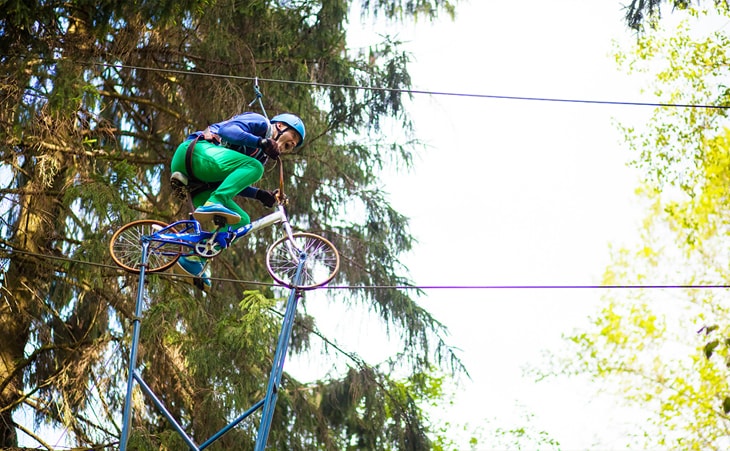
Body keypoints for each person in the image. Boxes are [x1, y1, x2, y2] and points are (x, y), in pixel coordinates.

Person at [169, 112, 305, 290]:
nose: (293, 143)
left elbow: (232, 180)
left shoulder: (260, 157)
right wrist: (261, 141)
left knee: (241, 222)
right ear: (280, 126)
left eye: (295, 144)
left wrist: (259, 194)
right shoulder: (262, 124)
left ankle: (194, 259)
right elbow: (227, 130)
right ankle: (215, 201)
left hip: (202, 183)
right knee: (254, 167)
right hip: (196, 152)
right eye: (293, 135)